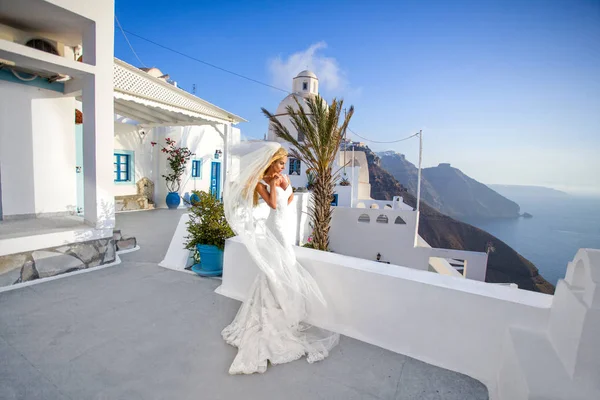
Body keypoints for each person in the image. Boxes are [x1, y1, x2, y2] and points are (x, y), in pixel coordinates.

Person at [222, 141, 339, 375]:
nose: (284, 168)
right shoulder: (260, 182)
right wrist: (274, 185)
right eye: (281, 163)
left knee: (285, 264)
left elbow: (289, 201)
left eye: (285, 164)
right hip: (274, 226)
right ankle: (272, 310)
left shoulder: (282, 179)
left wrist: (286, 186)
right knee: (277, 267)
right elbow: (273, 204)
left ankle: (284, 308)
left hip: (285, 226)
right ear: (271, 162)